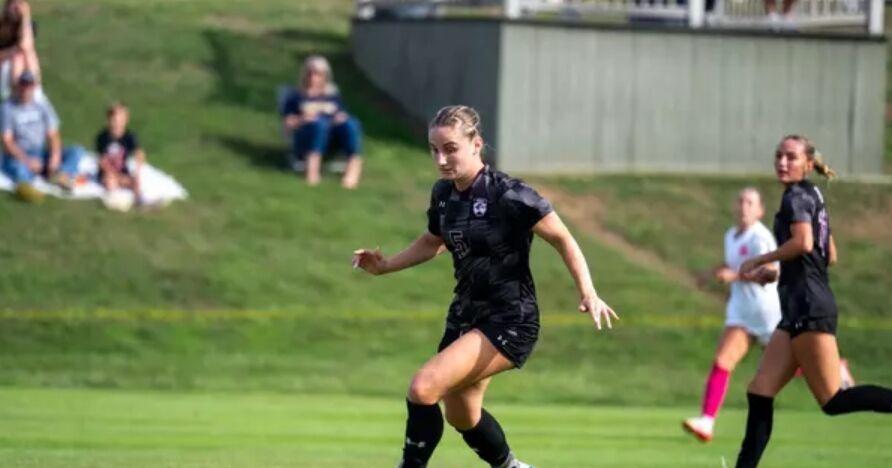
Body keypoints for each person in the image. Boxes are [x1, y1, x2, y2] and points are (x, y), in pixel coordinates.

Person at [352, 105, 618, 468]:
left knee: (423, 387)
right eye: (434, 150)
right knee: (461, 414)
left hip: (511, 318)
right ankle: (512, 466)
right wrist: (385, 266)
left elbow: (563, 238)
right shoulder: (444, 194)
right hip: (466, 315)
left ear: (476, 144)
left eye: (450, 148)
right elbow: (432, 242)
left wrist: (588, 291)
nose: (441, 159)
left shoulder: (509, 194)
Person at [734, 135, 892, 468]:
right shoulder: (812, 194)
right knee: (760, 390)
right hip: (797, 308)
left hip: (808, 308)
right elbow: (828, 254)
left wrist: (762, 258)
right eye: (778, 156)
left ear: (808, 163)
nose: (782, 162)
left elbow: (805, 244)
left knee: (833, 399)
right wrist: (776, 273)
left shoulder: (796, 195)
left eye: (790, 157)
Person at [682, 188, 782, 442]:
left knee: (794, 367)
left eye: (750, 202)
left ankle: (837, 368)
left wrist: (736, 276)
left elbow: (772, 272)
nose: (744, 206)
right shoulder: (731, 235)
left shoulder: (761, 237)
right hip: (741, 313)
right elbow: (732, 264)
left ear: (759, 210)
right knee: (722, 361)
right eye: (740, 201)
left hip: (767, 313)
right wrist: (710, 274)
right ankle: (706, 422)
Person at [281, 55, 363, 189]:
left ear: (325, 77)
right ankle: (312, 168)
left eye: (318, 74)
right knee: (319, 124)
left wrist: (339, 118)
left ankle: (354, 165)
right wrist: (303, 119)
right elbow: (288, 125)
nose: (313, 78)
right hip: (306, 140)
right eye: (310, 74)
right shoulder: (296, 97)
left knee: (351, 123)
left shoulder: (332, 96)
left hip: (331, 140)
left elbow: (341, 113)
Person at [1, 71, 82, 199]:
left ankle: (60, 174)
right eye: (23, 85)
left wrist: (55, 156)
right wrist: (27, 161)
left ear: (34, 87)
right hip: (18, 155)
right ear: (18, 86)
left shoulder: (42, 105)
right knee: (19, 169)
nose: (26, 89)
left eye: (29, 86)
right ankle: (26, 187)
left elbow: (53, 133)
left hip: (40, 152)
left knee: (76, 151)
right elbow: (7, 141)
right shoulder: (8, 108)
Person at [96, 102, 145, 201]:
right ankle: (114, 198)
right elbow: (102, 161)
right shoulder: (102, 137)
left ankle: (139, 200)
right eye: (114, 120)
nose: (117, 124)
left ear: (126, 120)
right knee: (110, 182)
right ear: (108, 120)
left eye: (120, 120)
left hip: (122, 171)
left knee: (135, 182)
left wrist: (137, 171)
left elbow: (139, 153)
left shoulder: (129, 136)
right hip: (107, 172)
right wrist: (111, 173)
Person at [0, 0, 41, 101]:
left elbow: (25, 46)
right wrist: (13, 52)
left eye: (19, 4)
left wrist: (26, 18)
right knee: (17, 57)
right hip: (3, 65)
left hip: (21, 65)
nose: (16, 8)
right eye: (13, 4)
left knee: (28, 55)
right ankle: (16, 96)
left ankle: (35, 92)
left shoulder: (28, 25)